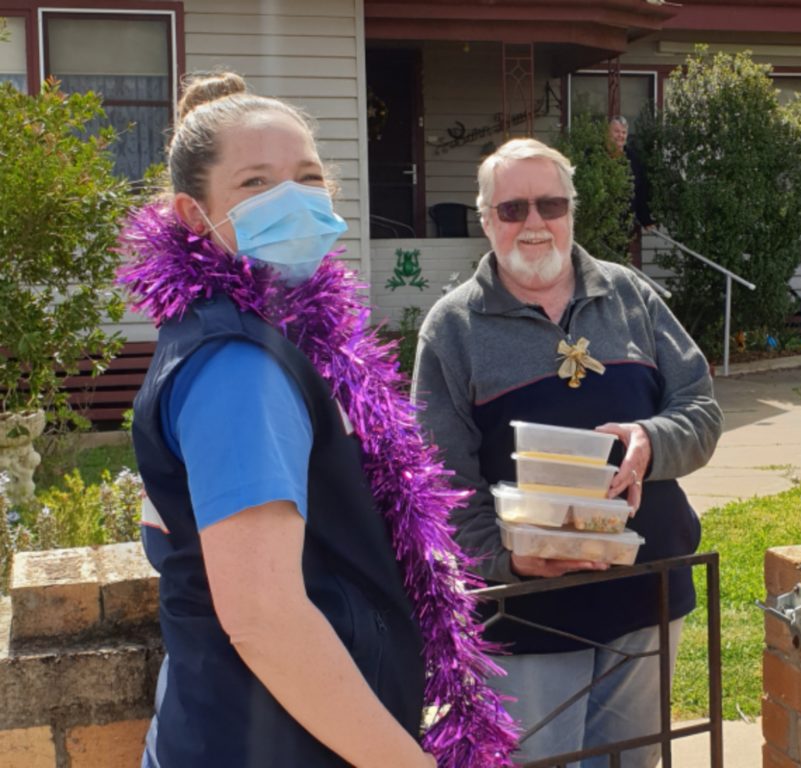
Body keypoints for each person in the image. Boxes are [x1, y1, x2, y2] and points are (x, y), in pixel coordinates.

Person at [118, 72, 514, 768]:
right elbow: (266, 618)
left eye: (307, 176)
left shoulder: (277, 337)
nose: (293, 200)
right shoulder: (240, 366)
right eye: (256, 184)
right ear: (190, 214)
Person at [412, 138, 722, 767]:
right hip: (529, 614)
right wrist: (503, 561)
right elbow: (439, 483)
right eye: (512, 208)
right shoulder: (453, 329)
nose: (534, 223)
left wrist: (650, 440)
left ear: (572, 211)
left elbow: (702, 410)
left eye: (550, 204)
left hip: (647, 591)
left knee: (633, 761)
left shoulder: (631, 296)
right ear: (485, 218)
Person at [609, 115, 654, 268]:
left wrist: (646, 219)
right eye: (616, 132)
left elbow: (640, 191)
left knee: (620, 263)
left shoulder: (632, 159)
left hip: (624, 222)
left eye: (623, 132)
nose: (620, 136)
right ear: (608, 133)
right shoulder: (597, 155)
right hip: (601, 222)